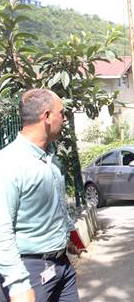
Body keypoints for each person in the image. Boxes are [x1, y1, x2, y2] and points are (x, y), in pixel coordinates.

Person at [0, 89, 81, 302]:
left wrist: (68, 235)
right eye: (61, 113)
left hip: (62, 266)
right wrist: (18, 285)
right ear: (46, 116)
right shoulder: (8, 164)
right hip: (29, 272)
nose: (64, 119)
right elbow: (2, 229)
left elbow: (56, 204)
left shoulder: (49, 158)